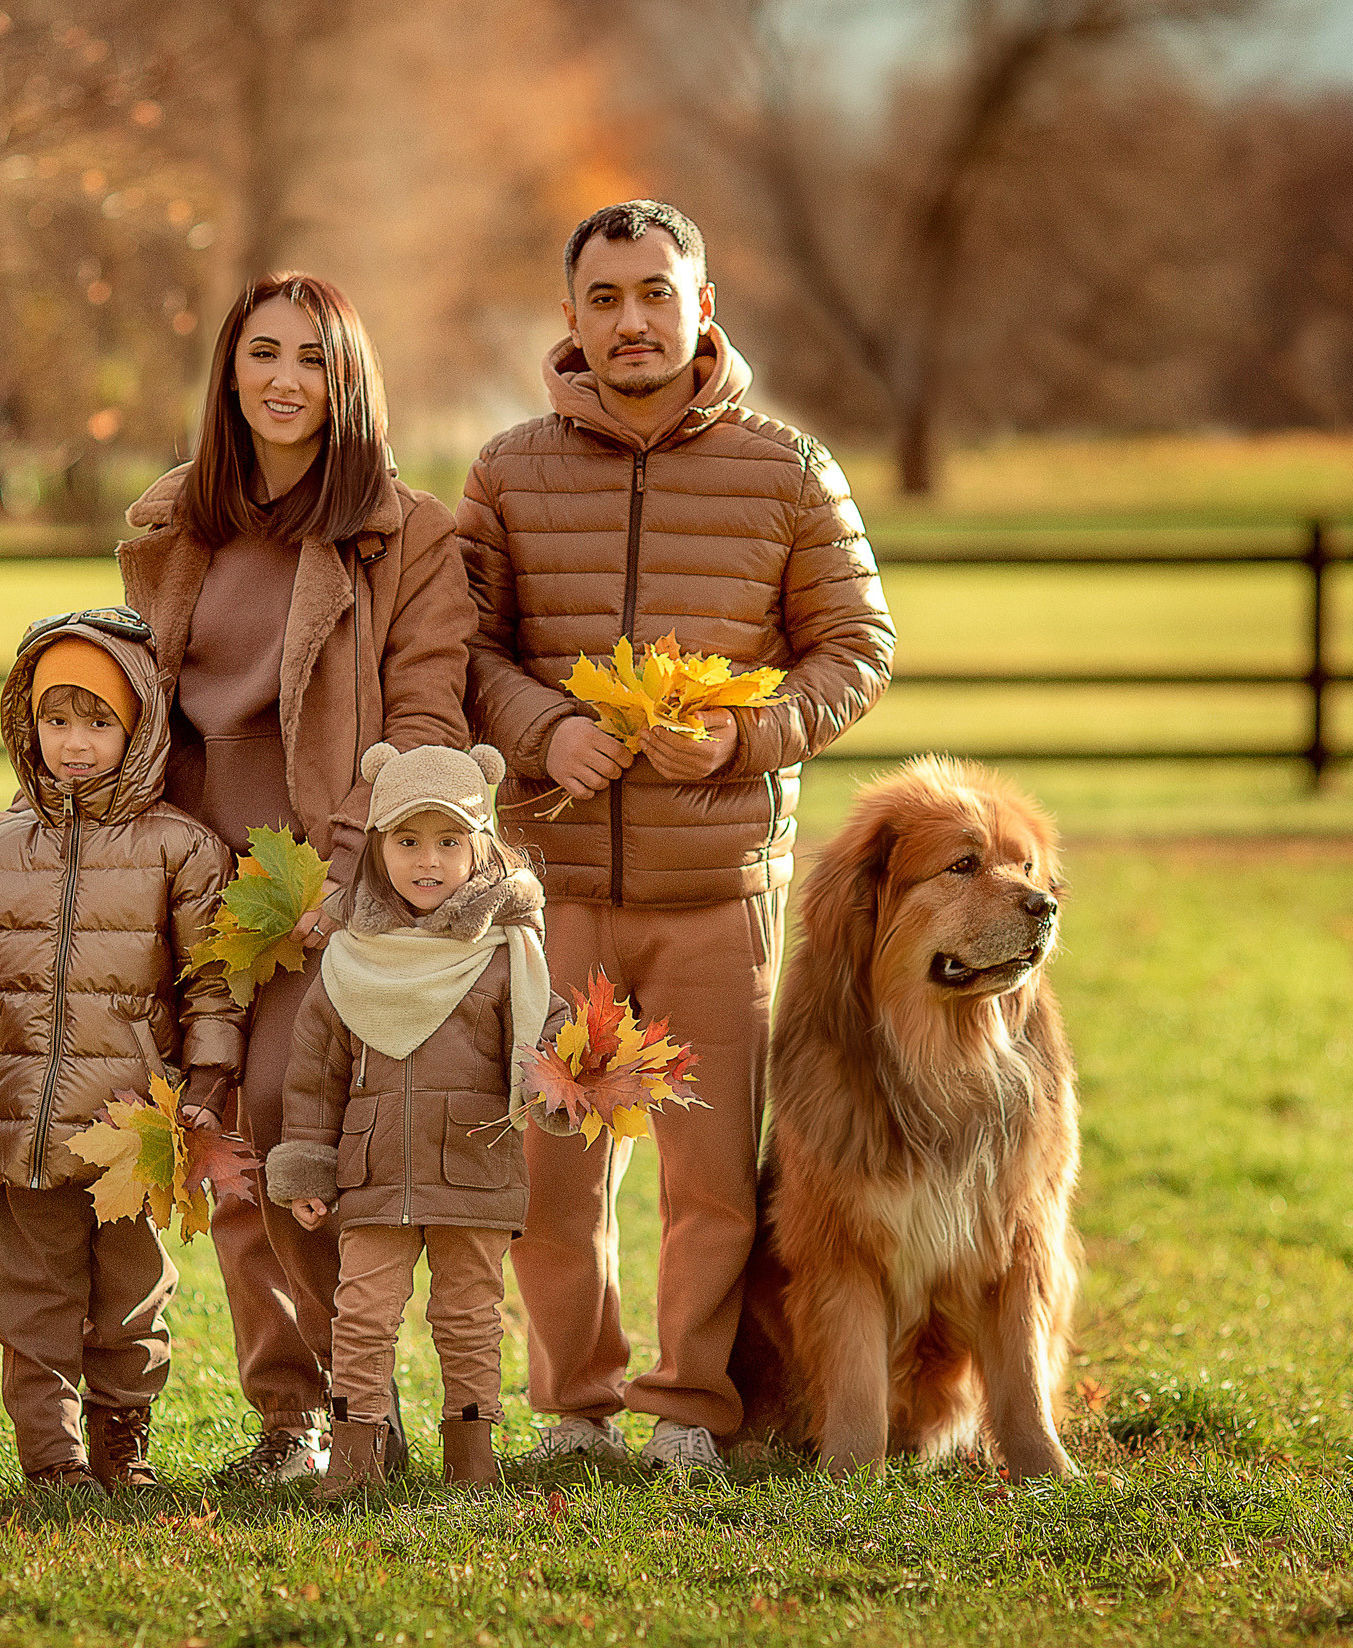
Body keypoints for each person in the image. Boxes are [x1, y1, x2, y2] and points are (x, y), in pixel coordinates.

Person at [0, 272, 475, 1483]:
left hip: (319, 874)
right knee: (219, 1147)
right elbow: (119, 704)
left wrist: (346, 868)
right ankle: (288, 1420)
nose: (285, 377)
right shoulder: (175, 527)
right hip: (186, 867)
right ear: (230, 372)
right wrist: (35, 819)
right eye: (261, 352)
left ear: (349, 376)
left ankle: (363, 1398)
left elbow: (423, 714)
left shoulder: (405, 534)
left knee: (300, 1141)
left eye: (311, 355)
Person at [458, 199, 897, 1471]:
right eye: (605, 299)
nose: (632, 320)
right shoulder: (506, 470)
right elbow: (466, 649)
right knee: (551, 1179)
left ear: (702, 306)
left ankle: (687, 1413)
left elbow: (856, 649)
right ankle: (580, 1411)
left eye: (656, 293)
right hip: (549, 890)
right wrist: (540, 731)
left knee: (710, 1182)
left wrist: (744, 742)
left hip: (717, 890)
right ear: (571, 319)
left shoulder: (789, 468)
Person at [0, 610, 246, 1495]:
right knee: (31, 1307)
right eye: (55, 720)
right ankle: (53, 1461)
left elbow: (213, 984)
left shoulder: (179, 850)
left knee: (130, 1301)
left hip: (132, 1130)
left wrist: (210, 1083)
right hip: (25, 1130)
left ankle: (123, 1449)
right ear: (24, 725)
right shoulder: (3, 847)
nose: (74, 744)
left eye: (98, 722)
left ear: (139, 726)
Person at [265, 742, 565, 1499]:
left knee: (468, 1315)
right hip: (375, 1172)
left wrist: (575, 1076)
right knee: (360, 1314)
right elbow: (314, 1077)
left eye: (448, 842)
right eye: (406, 841)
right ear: (377, 848)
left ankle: (472, 1459)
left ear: (480, 846)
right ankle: (356, 1457)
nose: (426, 862)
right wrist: (309, 1165)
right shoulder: (350, 960)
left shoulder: (508, 959)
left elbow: (550, 1039)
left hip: (472, 1166)